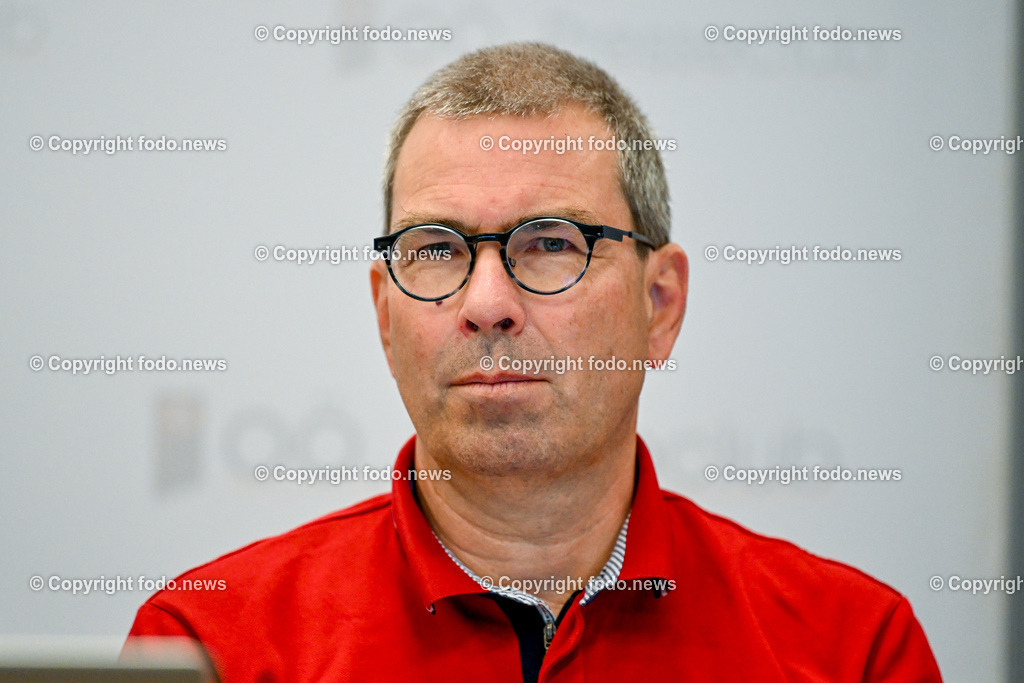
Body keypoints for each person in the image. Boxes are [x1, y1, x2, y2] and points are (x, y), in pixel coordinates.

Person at [126, 42, 943, 682]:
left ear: (660, 304)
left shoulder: (854, 648)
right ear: (385, 313)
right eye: (437, 249)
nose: (486, 302)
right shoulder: (207, 646)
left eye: (552, 243)